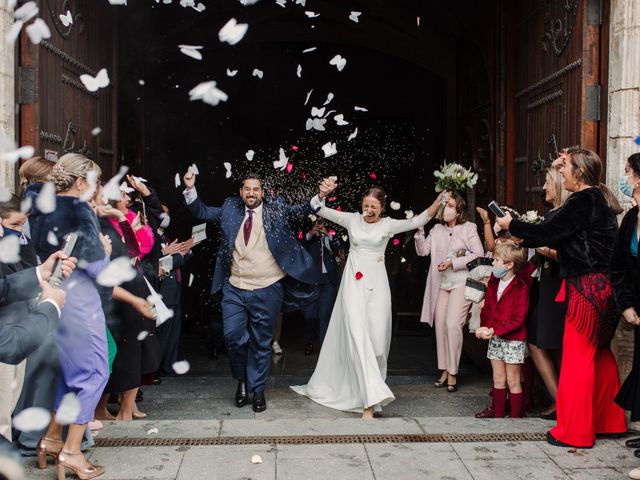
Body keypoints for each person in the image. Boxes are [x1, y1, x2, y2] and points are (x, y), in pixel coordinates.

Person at [496, 147, 626, 448]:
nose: (560, 171)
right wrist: (562, 160)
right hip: (606, 290)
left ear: (579, 173)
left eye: (564, 166)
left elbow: (549, 231)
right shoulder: (599, 200)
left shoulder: (583, 200)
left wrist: (510, 225)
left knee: (577, 361)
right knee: (600, 354)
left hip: (586, 290)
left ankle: (575, 432)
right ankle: (609, 420)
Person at [291, 180, 444, 419]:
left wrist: (438, 201)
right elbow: (319, 209)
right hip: (353, 283)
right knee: (356, 333)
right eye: (365, 205)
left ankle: (369, 388)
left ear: (382, 207)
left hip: (378, 285)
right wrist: (322, 194)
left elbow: (419, 220)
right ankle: (369, 403)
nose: (369, 211)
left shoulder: (389, 224)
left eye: (373, 206)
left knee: (376, 341)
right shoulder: (351, 219)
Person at [183, 171, 323, 412]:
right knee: (233, 337)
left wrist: (320, 195)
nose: (251, 193)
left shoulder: (275, 207)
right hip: (235, 288)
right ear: (240, 192)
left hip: (268, 288)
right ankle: (242, 380)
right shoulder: (229, 208)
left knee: (261, 342)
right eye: (246, 189)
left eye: (255, 189)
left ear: (262, 192)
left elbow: (300, 210)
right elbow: (202, 212)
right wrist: (190, 189)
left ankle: (256, 390)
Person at [27, 153, 109, 478]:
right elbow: (96, 264)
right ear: (79, 183)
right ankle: (72, 453)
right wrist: (107, 247)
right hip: (80, 302)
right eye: (94, 182)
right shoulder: (79, 210)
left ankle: (50, 439)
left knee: (67, 374)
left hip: (53, 297)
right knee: (93, 374)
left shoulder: (40, 206)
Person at [414, 192, 484, 392]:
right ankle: (444, 368)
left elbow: (478, 254)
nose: (447, 209)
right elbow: (422, 251)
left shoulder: (469, 228)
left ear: (459, 209)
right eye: (445, 205)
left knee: (453, 324)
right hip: (441, 283)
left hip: (461, 282)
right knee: (440, 325)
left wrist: (453, 262)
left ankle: (453, 371)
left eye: (451, 205)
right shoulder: (436, 229)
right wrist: (419, 231)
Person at [527, 166, 570, 420]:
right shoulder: (550, 214)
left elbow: (566, 254)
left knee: (552, 343)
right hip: (545, 284)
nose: (543, 187)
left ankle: (562, 402)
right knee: (537, 340)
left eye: (547, 182)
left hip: (556, 285)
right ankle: (559, 399)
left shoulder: (562, 216)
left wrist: (541, 248)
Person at [475, 242, 529, 418]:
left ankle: (515, 419)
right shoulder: (493, 283)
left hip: (513, 340)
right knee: (498, 379)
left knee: (513, 380)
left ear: (509, 264)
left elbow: (518, 319)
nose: (493, 263)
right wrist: (484, 326)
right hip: (495, 337)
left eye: (496, 260)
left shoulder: (521, 287)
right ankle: (498, 418)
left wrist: (495, 330)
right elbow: (488, 308)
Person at [611, 154, 640, 469]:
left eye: (628, 172)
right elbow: (618, 265)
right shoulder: (631, 218)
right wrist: (627, 304)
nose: (624, 177)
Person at [301, 218, 343, 355]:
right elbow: (300, 245)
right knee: (310, 314)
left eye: (322, 223)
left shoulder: (330, 236)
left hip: (328, 281)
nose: (319, 225)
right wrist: (311, 232)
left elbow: (340, 247)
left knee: (325, 315)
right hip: (312, 281)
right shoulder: (308, 237)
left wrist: (328, 234)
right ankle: (310, 341)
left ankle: (324, 348)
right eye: (317, 223)